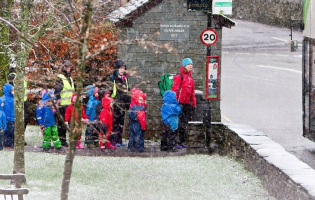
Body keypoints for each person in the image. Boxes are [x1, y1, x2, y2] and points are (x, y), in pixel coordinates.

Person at [171, 58, 196, 149]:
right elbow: (175, 90)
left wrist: (193, 103)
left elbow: (192, 93)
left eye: (191, 64)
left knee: (184, 124)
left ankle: (182, 141)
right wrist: (174, 103)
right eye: (188, 64)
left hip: (186, 104)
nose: (190, 66)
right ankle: (175, 142)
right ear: (184, 66)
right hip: (179, 103)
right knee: (177, 123)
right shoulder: (179, 77)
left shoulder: (191, 79)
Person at [110, 59, 130, 147]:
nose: (122, 70)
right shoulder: (112, 79)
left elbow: (127, 91)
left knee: (121, 123)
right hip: (115, 104)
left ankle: (119, 140)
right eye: (121, 68)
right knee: (115, 123)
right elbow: (109, 91)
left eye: (124, 68)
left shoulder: (125, 79)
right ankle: (113, 140)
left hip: (123, 104)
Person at [54, 60, 75, 147]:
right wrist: (59, 103)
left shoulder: (70, 79)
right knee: (62, 124)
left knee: (68, 123)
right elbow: (57, 92)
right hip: (63, 104)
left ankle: (65, 140)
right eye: (68, 67)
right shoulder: (60, 78)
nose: (69, 69)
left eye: (70, 67)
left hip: (70, 104)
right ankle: (62, 140)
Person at [8, 62, 29, 145]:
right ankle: (17, 138)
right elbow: (12, 90)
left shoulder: (20, 75)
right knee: (20, 120)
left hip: (23, 101)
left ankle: (19, 137)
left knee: (24, 119)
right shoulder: (13, 76)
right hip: (18, 101)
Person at [2, 83, 14, 149]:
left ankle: (10, 143)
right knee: (8, 131)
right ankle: (7, 144)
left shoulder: (13, 98)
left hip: (12, 118)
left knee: (11, 131)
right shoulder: (4, 99)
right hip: (7, 118)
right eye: (11, 90)